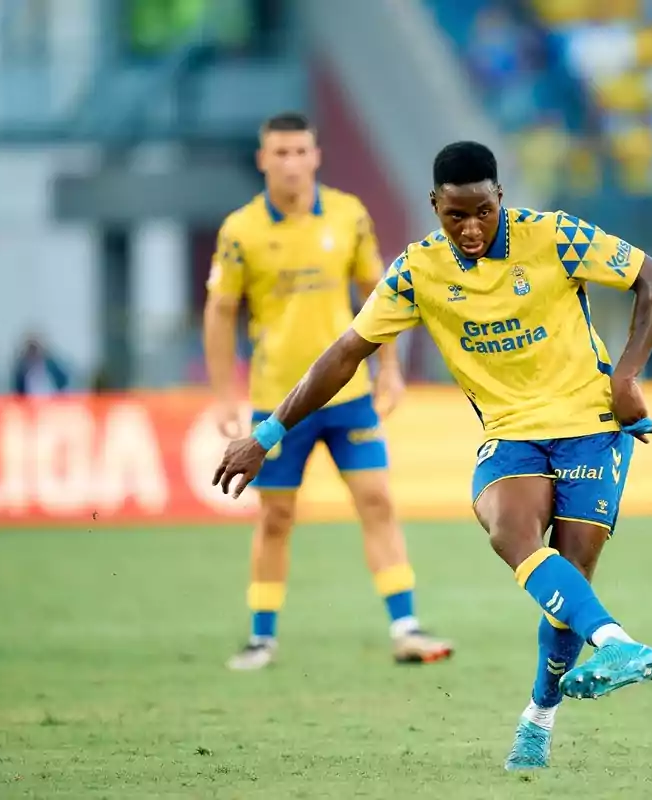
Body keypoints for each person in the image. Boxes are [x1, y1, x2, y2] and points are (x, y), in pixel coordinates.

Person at [212, 141, 652, 771]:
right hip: (511, 432)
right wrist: (267, 434)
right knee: (509, 530)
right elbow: (346, 352)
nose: (471, 228)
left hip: (590, 425)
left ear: (500, 199)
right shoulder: (417, 271)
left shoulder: (555, 236)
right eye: (455, 215)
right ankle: (617, 643)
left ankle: (537, 721)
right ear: (434, 205)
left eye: (483, 212)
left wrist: (625, 379)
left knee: (569, 580)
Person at [204, 112, 453, 670]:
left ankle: (406, 626)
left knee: (378, 500)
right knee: (275, 516)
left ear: (317, 156)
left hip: (348, 397)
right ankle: (262, 637)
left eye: (300, 151)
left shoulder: (348, 216)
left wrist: (389, 369)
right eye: (280, 152)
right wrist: (224, 395)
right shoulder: (240, 231)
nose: (291, 162)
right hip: (279, 401)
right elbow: (220, 313)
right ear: (262, 159)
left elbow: (380, 294)